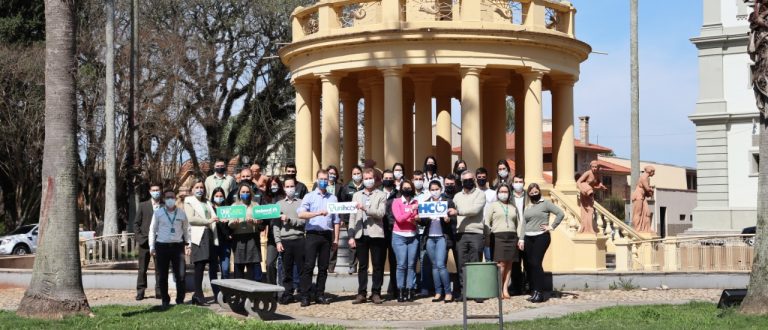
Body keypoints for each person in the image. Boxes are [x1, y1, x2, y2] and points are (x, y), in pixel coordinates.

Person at [297, 170, 341, 307]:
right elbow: (301, 214)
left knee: (323, 267)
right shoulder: (309, 197)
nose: (323, 181)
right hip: (312, 234)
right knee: (308, 266)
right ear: (316, 179)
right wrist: (317, 213)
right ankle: (305, 295)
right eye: (321, 178)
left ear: (328, 180)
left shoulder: (333, 198)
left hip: (326, 236)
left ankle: (320, 294)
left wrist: (336, 239)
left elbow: (336, 220)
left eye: (325, 179)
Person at [518, 183, 564, 303]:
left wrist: (551, 226)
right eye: (531, 193)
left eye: (536, 192)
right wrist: (521, 239)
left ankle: (540, 292)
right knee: (530, 265)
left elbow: (560, 213)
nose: (534, 194)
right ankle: (534, 291)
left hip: (541, 237)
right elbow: (524, 223)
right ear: (529, 194)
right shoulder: (528, 206)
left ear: (539, 192)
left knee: (536, 263)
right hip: (528, 237)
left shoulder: (546, 203)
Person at [347, 168, 388, 304]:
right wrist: (351, 235)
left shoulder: (381, 195)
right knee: (362, 266)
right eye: (365, 178)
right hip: (360, 233)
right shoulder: (356, 195)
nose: (367, 180)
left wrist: (365, 208)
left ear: (375, 179)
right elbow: (352, 217)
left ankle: (376, 292)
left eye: (370, 178)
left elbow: (381, 213)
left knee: (377, 265)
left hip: (376, 233)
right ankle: (362, 293)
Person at [448, 170, 487, 302]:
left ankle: (477, 292)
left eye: (471, 179)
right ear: (462, 181)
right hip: (461, 234)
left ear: (474, 180)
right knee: (462, 265)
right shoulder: (457, 196)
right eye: (465, 180)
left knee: (475, 263)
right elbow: (452, 213)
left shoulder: (480, 194)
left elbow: (474, 210)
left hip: (476, 233)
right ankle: (464, 291)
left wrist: (457, 212)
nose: (468, 182)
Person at [149, 189, 191, 308]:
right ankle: (165, 300)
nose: (170, 200)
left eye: (172, 197)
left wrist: (189, 244)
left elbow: (187, 230)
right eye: (167, 197)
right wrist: (152, 246)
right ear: (164, 199)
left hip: (178, 247)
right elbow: (152, 230)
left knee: (181, 275)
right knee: (162, 276)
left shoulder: (181, 213)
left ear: (175, 199)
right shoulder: (158, 213)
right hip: (162, 247)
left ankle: (180, 300)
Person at [484, 184, 522, 299]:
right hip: (498, 236)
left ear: (509, 193)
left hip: (512, 236)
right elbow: (487, 221)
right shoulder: (493, 206)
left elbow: (518, 224)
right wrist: (487, 234)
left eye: (506, 192)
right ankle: (498, 288)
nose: (503, 194)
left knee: (509, 263)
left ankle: (505, 288)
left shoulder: (512, 207)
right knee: (501, 264)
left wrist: (520, 238)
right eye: (501, 191)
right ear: (497, 193)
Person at [420, 180, 456, 303]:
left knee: (441, 265)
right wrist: (424, 218)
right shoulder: (426, 203)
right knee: (434, 266)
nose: (435, 191)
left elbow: (453, 219)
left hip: (442, 237)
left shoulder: (447, 202)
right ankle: (438, 292)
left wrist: (448, 219)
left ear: (441, 189)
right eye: (432, 189)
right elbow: (422, 222)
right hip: (430, 238)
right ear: (429, 191)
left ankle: (448, 292)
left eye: (437, 189)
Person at [184, 180, 218, 306]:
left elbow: (214, 217)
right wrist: (208, 221)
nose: (200, 189)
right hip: (198, 236)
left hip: (209, 235)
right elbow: (191, 219)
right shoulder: (189, 201)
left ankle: (197, 295)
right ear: (192, 189)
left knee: (211, 265)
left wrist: (216, 220)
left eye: (202, 187)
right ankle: (198, 294)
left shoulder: (208, 202)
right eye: (197, 187)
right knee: (199, 266)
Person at [275, 177, 306, 305]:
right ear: (283, 188)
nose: (290, 189)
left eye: (291, 186)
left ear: (295, 187)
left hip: (299, 239)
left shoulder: (301, 203)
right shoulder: (279, 204)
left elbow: (304, 221)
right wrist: (278, 241)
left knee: (302, 269)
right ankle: (288, 294)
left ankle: (304, 294)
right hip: (285, 241)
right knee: (286, 270)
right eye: (287, 187)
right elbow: (276, 225)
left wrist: (289, 220)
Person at [391, 180, 420, 302]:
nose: (407, 189)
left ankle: (410, 290)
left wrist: (415, 218)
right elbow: (399, 219)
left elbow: (415, 219)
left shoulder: (416, 202)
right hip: (399, 236)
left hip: (413, 236)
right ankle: (400, 290)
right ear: (401, 189)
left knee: (411, 265)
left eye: (409, 188)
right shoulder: (396, 202)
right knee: (401, 264)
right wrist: (410, 211)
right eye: (405, 187)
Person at [229, 183, 264, 280]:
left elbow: (260, 223)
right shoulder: (234, 206)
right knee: (239, 266)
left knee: (254, 265)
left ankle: (255, 291)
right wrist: (234, 223)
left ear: (251, 193)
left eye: (247, 192)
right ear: (239, 193)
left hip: (253, 238)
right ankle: (240, 292)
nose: (245, 194)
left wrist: (254, 222)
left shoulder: (256, 205)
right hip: (238, 239)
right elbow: (230, 225)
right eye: (243, 192)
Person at [134, 183, 162, 301]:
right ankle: (140, 291)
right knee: (142, 269)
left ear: (160, 191)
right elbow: (136, 224)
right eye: (153, 190)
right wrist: (140, 238)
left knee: (159, 268)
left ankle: (159, 291)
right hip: (144, 242)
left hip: (160, 241)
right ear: (150, 191)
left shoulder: (165, 206)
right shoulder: (143, 205)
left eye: (157, 190)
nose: (156, 192)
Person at [340, 165, 365, 275]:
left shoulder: (366, 186)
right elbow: (342, 203)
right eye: (354, 174)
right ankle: (352, 265)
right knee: (352, 241)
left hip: (363, 218)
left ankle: (363, 265)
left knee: (362, 242)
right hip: (349, 219)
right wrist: (342, 218)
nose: (356, 175)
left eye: (358, 173)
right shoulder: (346, 187)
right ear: (351, 175)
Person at [380, 169, 400, 297]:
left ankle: (395, 289)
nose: (388, 179)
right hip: (380, 231)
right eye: (385, 177)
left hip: (394, 231)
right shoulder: (377, 193)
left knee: (395, 262)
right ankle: (377, 291)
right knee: (379, 262)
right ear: (382, 179)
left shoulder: (398, 194)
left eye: (390, 177)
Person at [262, 176, 284, 285]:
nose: (273, 187)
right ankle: (272, 289)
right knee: (270, 264)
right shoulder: (265, 200)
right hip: (271, 236)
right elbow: (263, 219)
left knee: (285, 265)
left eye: (275, 184)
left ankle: (285, 290)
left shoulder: (284, 198)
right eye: (271, 185)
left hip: (285, 234)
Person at [210, 187, 232, 290]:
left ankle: (224, 291)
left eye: (221, 196)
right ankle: (216, 292)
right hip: (213, 242)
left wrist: (230, 222)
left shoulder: (228, 209)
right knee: (213, 269)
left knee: (225, 269)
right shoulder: (209, 208)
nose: (219, 198)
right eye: (217, 196)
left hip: (225, 242)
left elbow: (232, 225)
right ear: (213, 197)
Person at [576, 160, 607, 234]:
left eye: (596, 167)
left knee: (589, 211)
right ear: (590, 167)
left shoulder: (597, 175)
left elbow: (596, 185)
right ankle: (589, 229)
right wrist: (582, 189)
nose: (594, 168)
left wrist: (601, 187)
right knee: (590, 210)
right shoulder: (588, 173)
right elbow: (578, 182)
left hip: (590, 194)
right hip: (585, 193)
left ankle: (587, 228)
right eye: (593, 167)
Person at [509, 175, 527, 296]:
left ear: (524, 183)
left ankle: (528, 285)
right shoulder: (509, 197)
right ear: (512, 183)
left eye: (520, 182)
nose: (518, 184)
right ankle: (516, 287)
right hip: (514, 233)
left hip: (527, 233)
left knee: (529, 261)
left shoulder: (529, 196)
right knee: (515, 263)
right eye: (516, 182)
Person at [476, 168, 496, 262]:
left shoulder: (493, 193)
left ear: (487, 178)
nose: (481, 179)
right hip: (476, 228)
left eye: (483, 177)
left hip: (488, 228)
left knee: (489, 257)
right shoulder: (473, 193)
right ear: (476, 178)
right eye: (479, 177)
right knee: (477, 257)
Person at [631, 165, 656, 233]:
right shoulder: (644, 177)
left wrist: (649, 191)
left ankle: (646, 229)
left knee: (647, 212)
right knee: (637, 213)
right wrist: (652, 190)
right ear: (650, 171)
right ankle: (637, 229)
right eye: (653, 172)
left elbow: (647, 190)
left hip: (643, 197)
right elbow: (647, 188)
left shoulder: (647, 178)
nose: (654, 173)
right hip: (638, 196)